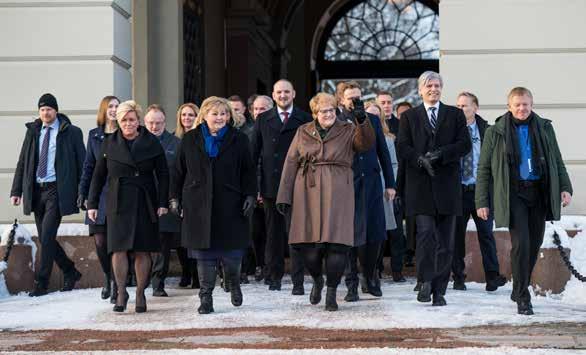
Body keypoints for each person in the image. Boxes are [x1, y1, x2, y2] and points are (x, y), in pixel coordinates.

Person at [476, 87, 572, 315]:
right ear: (509, 106)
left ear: (532, 104)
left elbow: (556, 160)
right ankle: (522, 296)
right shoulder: (495, 132)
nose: (522, 108)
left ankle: (518, 285)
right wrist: (481, 200)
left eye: (525, 104)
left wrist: (565, 187)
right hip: (513, 194)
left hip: (538, 192)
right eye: (517, 105)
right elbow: (484, 168)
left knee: (534, 243)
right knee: (521, 244)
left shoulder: (545, 128)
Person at [276, 92, 375, 311]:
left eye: (331, 110)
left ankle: (331, 291)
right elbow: (291, 161)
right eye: (323, 111)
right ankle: (317, 280)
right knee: (308, 246)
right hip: (307, 189)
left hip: (339, 188)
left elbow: (366, 143)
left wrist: (362, 120)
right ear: (315, 113)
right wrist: (284, 194)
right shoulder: (303, 131)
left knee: (337, 245)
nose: (328, 114)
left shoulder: (348, 129)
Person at [170, 96, 256, 314]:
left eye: (224, 113)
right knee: (204, 255)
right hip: (198, 204)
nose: (220, 117)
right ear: (205, 115)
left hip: (231, 203)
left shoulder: (239, 139)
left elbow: (249, 171)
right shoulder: (190, 139)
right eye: (215, 113)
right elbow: (178, 172)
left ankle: (234, 282)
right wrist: (174, 198)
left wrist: (250, 196)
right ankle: (206, 297)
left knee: (232, 254)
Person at [397, 71, 471, 307]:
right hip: (420, 187)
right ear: (420, 90)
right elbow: (402, 147)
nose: (433, 89)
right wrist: (420, 160)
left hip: (448, 188)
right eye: (429, 86)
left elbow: (464, 144)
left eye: (437, 85)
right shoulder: (409, 117)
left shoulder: (455, 114)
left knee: (446, 243)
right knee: (426, 236)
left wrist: (441, 154)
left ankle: (440, 290)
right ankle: (425, 281)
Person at [88, 100, 169, 313]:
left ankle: (141, 292)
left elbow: (163, 173)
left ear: (138, 120)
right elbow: (98, 175)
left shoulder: (151, 142)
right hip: (117, 201)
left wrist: (162, 202)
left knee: (143, 249)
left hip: (144, 200)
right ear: (118, 121)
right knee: (118, 249)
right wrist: (93, 203)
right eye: (124, 119)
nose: (128, 123)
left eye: (132, 119)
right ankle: (122, 292)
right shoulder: (109, 142)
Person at [10, 93, 86, 297]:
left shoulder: (71, 132)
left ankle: (41, 283)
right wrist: (17, 190)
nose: (45, 113)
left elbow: (83, 164)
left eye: (49, 109)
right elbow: (22, 162)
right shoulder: (33, 132)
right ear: (39, 112)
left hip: (56, 191)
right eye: (42, 110)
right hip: (36, 191)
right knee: (46, 239)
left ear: (56, 111)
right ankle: (70, 271)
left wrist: (83, 192)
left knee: (47, 235)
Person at [337, 81, 395, 302]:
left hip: (371, 184)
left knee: (374, 234)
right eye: (351, 97)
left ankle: (370, 277)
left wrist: (390, 184)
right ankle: (351, 283)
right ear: (342, 99)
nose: (355, 101)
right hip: (347, 185)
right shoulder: (337, 121)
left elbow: (383, 153)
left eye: (359, 96)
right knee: (349, 237)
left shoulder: (371, 119)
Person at [252, 79, 312, 294]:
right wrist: (255, 186)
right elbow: (254, 154)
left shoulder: (305, 119)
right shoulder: (263, 119)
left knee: (296, 234)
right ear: (273, 94)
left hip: (297, 185)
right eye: (279, 92)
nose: (283, 95)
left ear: (293, 93)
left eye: (286, 92)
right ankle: (273, 276)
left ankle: (298, 281)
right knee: (273, 234)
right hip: (270, 185)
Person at [451, 92, 507, 292]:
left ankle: (492, 277)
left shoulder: (487, 130)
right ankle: (458, 277)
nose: (460, 109)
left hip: (481, 192)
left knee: (486, 235)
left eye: (465, 106)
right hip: (459, 191)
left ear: (475, 108)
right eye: (458, 106)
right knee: (457, 237)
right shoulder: (451, 131)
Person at [78, 95, 119, 302]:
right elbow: (88, 167)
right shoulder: (94, 135)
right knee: (100, 241)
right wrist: (83, 194)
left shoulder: (125, 132)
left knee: (115, 242)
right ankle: (108, 277)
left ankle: (117, 282)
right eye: (110, 106)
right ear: (104, 110)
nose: (114, 109)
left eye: (117, 106)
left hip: (119, 193)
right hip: (98, 194)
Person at [143, 104, 182, 297]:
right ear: (144, 122)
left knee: (162, 244)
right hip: (142, 200)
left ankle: (158, 283)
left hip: (166, 199)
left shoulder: (175, 143)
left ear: (165, 123)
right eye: (150, 122)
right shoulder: (137, 141)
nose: (154, 126)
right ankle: (139, 279)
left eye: (158, 123)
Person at [365, 101, 405, 282]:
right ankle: (374, 269)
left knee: (390, 232)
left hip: (384, 191)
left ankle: (395, 270)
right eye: (369, 114)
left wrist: (391, 186)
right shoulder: (356, 138)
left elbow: (394, 164)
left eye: (376, 115)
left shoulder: (389, 139)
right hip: (365, 190)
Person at [240, 95, 274, 283]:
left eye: (263, 109)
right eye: (256, 109)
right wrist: (254, 190)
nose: (259, 112)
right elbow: (249, 165)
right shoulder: (246, 134)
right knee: (254, 232)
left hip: (271, 188)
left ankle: (268, 267)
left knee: (271, 233)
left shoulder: (276, 129)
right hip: (254, 190)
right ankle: (256, 265)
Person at [173, 102, 200, 288]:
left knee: (195, 236)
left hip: (196, 192)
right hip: (181, 191)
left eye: (191, 115)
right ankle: (186, 271)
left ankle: (197, 275)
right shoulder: (174, 139)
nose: (187, 118)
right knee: (181, 238)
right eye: (184, 115)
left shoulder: (200, 138)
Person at [394, 101, 416, 270]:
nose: (403, 117)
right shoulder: (391, 131)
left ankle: (409, 253)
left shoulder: (415, 131)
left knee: (411, 220)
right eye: (400, 114)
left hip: (412, 182)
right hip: (396, 182)